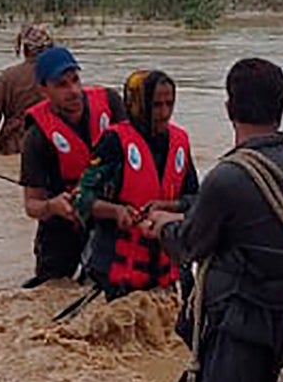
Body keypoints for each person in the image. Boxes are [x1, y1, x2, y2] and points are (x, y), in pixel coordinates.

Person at [145, 59, 283, 382]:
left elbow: (188, 246)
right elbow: (251, 223)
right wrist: (184, 209)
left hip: (240, 329)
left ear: (229, 108)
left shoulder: (228, 176)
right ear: (281, 107)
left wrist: (160, 225)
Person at [77, 69, 198, 297]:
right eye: (156, 105)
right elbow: (82, 199)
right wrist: (117, 211)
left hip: (166, 270)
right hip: (113, 269)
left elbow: (196, 200)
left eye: (169, 104)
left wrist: (167, 207)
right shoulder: (113, 142)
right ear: (137, 104)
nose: (164, 113)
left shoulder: (180, 142)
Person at [16, 46, 124, 289]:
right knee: (51, 292)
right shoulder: (36, 138)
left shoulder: (111, 104)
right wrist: (51, 206)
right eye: (61, 85)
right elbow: (32, 205)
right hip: (61, 228)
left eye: (75, 80)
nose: (74, 91)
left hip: (110, 220)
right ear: (44, 90)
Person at [0, 24, 54, 154]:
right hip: (51, 139)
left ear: (25, 49)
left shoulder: (8, 76)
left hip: (14, 141)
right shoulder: (58, 76)